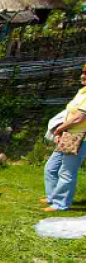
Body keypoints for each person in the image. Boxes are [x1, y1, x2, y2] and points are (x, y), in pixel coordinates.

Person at [42, 65, 86, 212]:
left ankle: (61, 204)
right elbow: (68, 115)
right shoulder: (82, 92)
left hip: (80, 137)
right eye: (82, 73)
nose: (82, 76)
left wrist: (59, 130)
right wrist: (61, 132)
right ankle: (52, 197)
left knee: (67, 172)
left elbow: (78, 118)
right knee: (51, 167)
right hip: (69, 135)